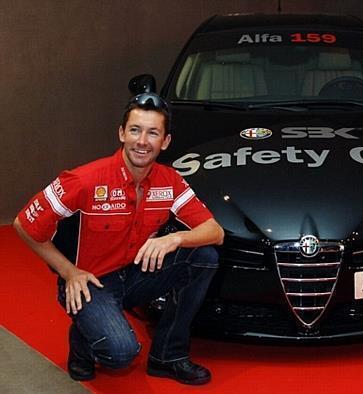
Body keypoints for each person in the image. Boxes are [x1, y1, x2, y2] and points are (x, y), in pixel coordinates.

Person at [13, 92, 224, 385]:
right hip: (91, 281)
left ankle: (168, 356)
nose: (142, 141)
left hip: (137, 274)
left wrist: (173, 240)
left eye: (153, 133)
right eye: (135, 130)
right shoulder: (84, 180)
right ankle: (83, 344)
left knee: (203, 257)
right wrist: (69, 272)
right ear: (122, 133)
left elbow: (216, 232)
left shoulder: (170, 180)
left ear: (165, 142)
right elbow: (23, 224)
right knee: (121, 353)